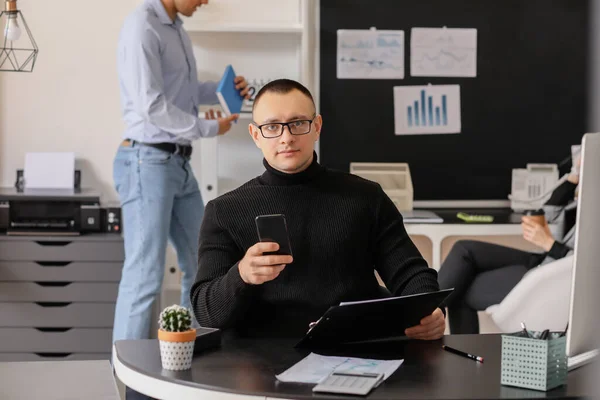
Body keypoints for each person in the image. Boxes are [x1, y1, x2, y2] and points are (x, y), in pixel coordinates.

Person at [190, 79, 446, 341]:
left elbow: (409, 272)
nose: (286, 137)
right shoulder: (224, 211)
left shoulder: (366, 197)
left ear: (317, 127)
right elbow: (206, 311)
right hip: (259, 362)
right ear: (256, 135)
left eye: (298, 123)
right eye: (272, 127)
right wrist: (241, 275)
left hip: (354, 347)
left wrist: (431, 311)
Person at [112, 0, 249, 345]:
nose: (205, 1)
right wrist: (207, 128)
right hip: (148, 162)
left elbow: (183, 93)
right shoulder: (142, 26)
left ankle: (187, 354)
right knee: (145, 275)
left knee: (203, 263)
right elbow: (152, 105)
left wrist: (223, 90)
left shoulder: (175, 28)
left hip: (177, 163)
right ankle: (126, 381)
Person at [438, 156, 581, 334]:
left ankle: (420, 317)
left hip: (551, 277)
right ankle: (424, 313)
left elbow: (584, 269)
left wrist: (549, 243)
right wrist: (576, 174)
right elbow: (551, 209)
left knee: (459, 290)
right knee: (463, 249)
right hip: (542, 260)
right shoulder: (585, 202)